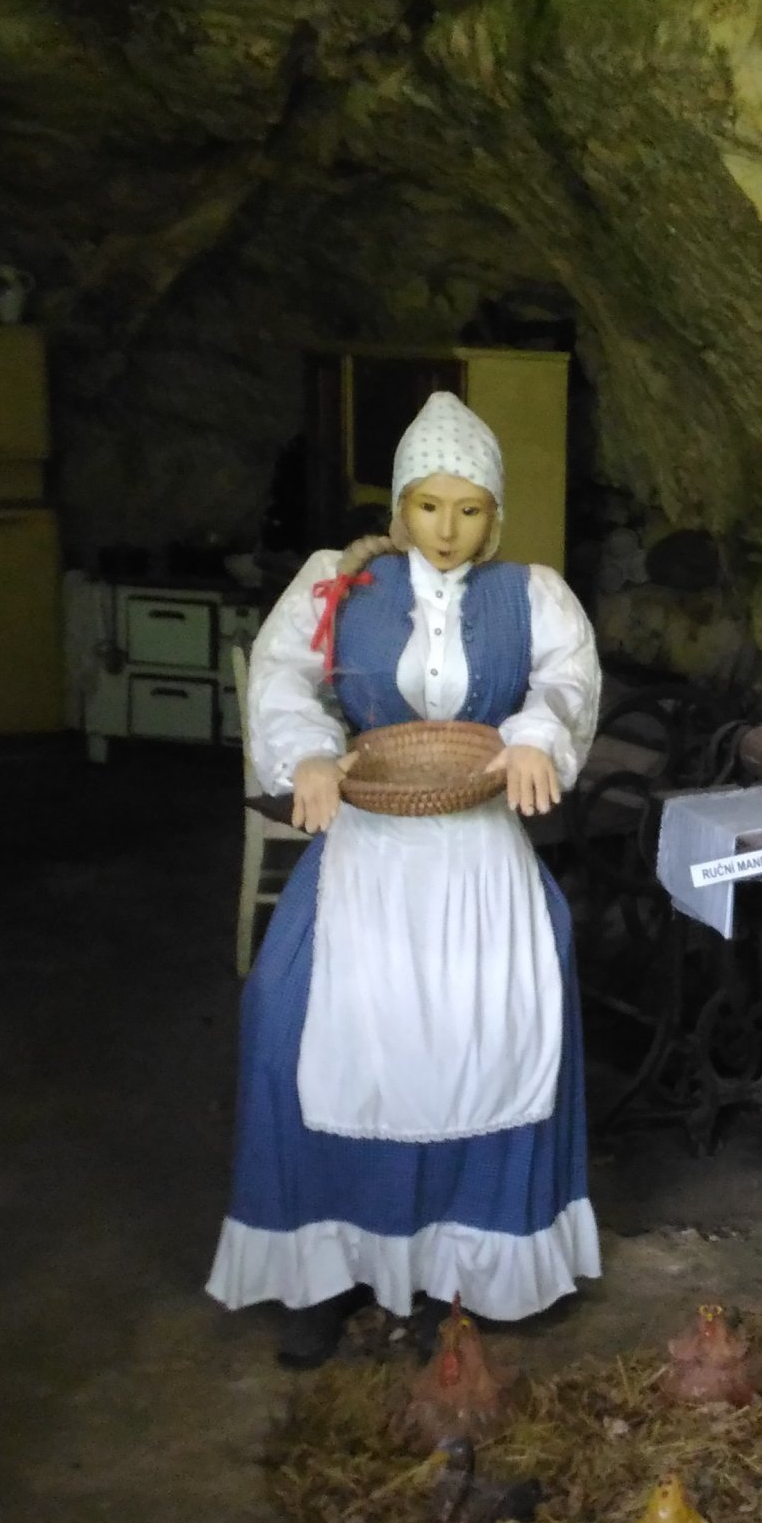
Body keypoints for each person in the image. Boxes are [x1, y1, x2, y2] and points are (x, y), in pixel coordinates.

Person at [207, 392, 602, 1367]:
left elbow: (564, 681)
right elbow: (282, 679)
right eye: (430, 506)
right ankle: (323, 1269)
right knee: (286, 1014)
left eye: (471, 509)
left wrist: (538, 739)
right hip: (369, 849)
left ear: (495, 513)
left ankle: (465, 1268)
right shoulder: (337, 585)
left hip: (479, 855)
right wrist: (305, 752)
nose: (449, 529)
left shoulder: (534, 593)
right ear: (399, 504)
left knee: (502, 1016)